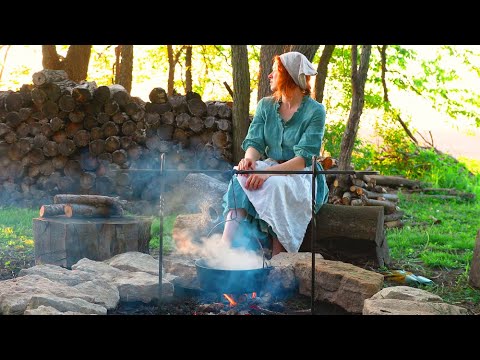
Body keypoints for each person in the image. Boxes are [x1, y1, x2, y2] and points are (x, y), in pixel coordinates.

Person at [221, 51, 329, 258]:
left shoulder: (315, 111)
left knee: (276, 185)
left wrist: (267, 173)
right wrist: (249, 160)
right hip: (271, 165)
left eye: (274, 73)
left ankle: (280, 256)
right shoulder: (266, 105)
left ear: (288, 76)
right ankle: (225, 245)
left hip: (301, 172)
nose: (269, 76)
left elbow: (303, 159)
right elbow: (255, 142)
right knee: (239, 175)